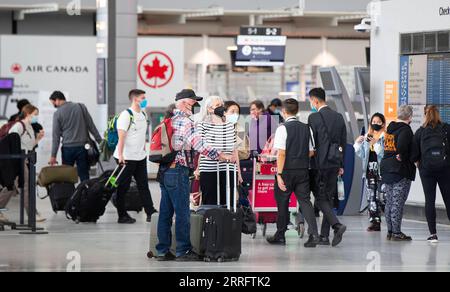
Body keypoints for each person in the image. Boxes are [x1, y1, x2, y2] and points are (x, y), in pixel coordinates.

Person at [156, 89, 233, 262]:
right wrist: (220, 155)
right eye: (192, 102)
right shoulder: (184, 121)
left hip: (165, 170)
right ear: (183, 103)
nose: (194, 106)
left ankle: (162, 250)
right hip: (178, 171)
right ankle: (183, 250)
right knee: (183, 211)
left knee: (165, 212)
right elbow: (198, 143)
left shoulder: (168, 119)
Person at [266, 98, 320, 248]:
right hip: (303, 171)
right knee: (305, 202)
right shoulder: (306, 128)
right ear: (296, 111)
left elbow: (281, 154)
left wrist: (279, 175)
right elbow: (311, 151)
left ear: (283, 111)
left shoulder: (282, 128)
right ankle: (314, 234)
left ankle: (280, 234)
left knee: (282, 202)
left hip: (287, 171)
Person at [308, 88, 347, 247]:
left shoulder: (313, 117)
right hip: (334, 163)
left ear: (315, 101)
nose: (311, 104)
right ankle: (324, 236)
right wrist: (341, 164)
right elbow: (343, 143)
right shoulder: (338, 117)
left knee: (320, 198)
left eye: (311, 101)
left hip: (318, 164)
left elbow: (311, 142)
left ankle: (336, 226)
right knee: (328, 198)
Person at [113, 89, 157, 224]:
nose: (144, 100)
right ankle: (122, 215)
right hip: (126, 157)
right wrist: (120, 156)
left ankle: (150, 212)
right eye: (142, 98)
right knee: (122, 187)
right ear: (134, 99)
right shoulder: (126, 115)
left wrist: (143, 149)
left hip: (140, 157)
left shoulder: (143, 114)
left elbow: (141, 135)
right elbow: (121, 137)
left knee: (143, 185)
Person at [0, 104, 46, 223]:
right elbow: (9, 142)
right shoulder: (18, 126)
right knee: (26, 186)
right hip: (17, 159)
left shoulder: (29, 127)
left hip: (25, 158)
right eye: (35, 114)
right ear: (27, 113)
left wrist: (38, 139)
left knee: (11, 187)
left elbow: (29, 145)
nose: (36, 117)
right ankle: (32, 214)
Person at [411, 105, 450, 243]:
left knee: (430, 200)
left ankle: (433, 234)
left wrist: (420, 163)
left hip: (426, 170)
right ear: (438, 114)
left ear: (425, 114)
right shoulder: (446, 129)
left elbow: (414, 154)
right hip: (445, 169)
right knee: (448, 199)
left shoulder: (420, 132)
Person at [194, 96, 241, 206]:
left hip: (228, 168)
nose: (221, 108)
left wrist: (238, 171)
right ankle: (211, 223)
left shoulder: (229, 125)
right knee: (210, 200)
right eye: (217, 105)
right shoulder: (202, 124)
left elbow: (234, 149)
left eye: (222, 105)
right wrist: (198, 168)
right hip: (209, 168)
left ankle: (226, 222)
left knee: (228, 201)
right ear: (209, 109)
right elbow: (202, 147)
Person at [48, 91, 102, 182]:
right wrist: (100, 141)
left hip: (67, 149)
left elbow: (56, 137)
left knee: (67, 176)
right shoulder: (81, 107)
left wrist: (53, 156)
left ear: (57, 100)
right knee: (84, 175)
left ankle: (69, 195)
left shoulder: (57, 113)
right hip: (83, 147)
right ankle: (86, 194)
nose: (54, 105)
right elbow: (91, 126)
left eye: (53, 103)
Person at [381, 105, 416, 242]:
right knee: (398, 202)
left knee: (389, 202)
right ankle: (396, 232)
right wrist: (402, 155)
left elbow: (388, 146)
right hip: (399, 170)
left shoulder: (390, 128)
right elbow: (401, 146)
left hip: (387, 167)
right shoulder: (406, 130)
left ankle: (390, 231)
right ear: (410, 117)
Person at [354, 113, 386, 232]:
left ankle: (392, 222)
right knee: (371, 198)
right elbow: (362, 154)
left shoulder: (384, 136)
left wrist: (375, 144)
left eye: (378, 122)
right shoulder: (368, 136)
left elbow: (384, 154)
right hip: (369, 171)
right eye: (374, 122)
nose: (376, 124)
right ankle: (375, 222)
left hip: (382, 171)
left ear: (383, 123)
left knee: (384, 198)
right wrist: (358, 143)